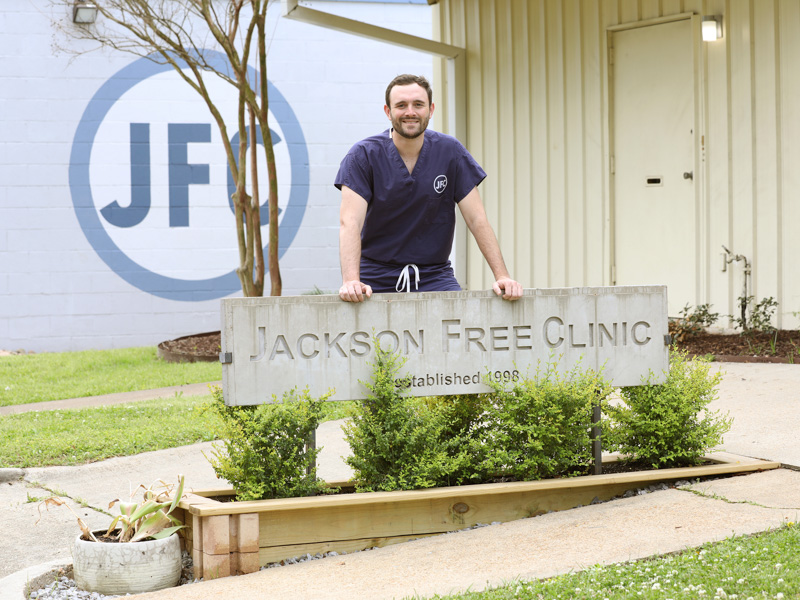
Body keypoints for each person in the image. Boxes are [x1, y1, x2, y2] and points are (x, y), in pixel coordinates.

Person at [335, 74, 522, 303]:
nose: (410, 112)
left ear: (431, 110)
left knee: (459, 330)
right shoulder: (363, 155)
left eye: (418, 104)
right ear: (388, 111)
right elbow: (350, 222)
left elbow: (477, 219)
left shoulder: (450, 151)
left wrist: (502, 276)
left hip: (435, 276)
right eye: (401, 105)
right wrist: (352, 280)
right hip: (375, 277)